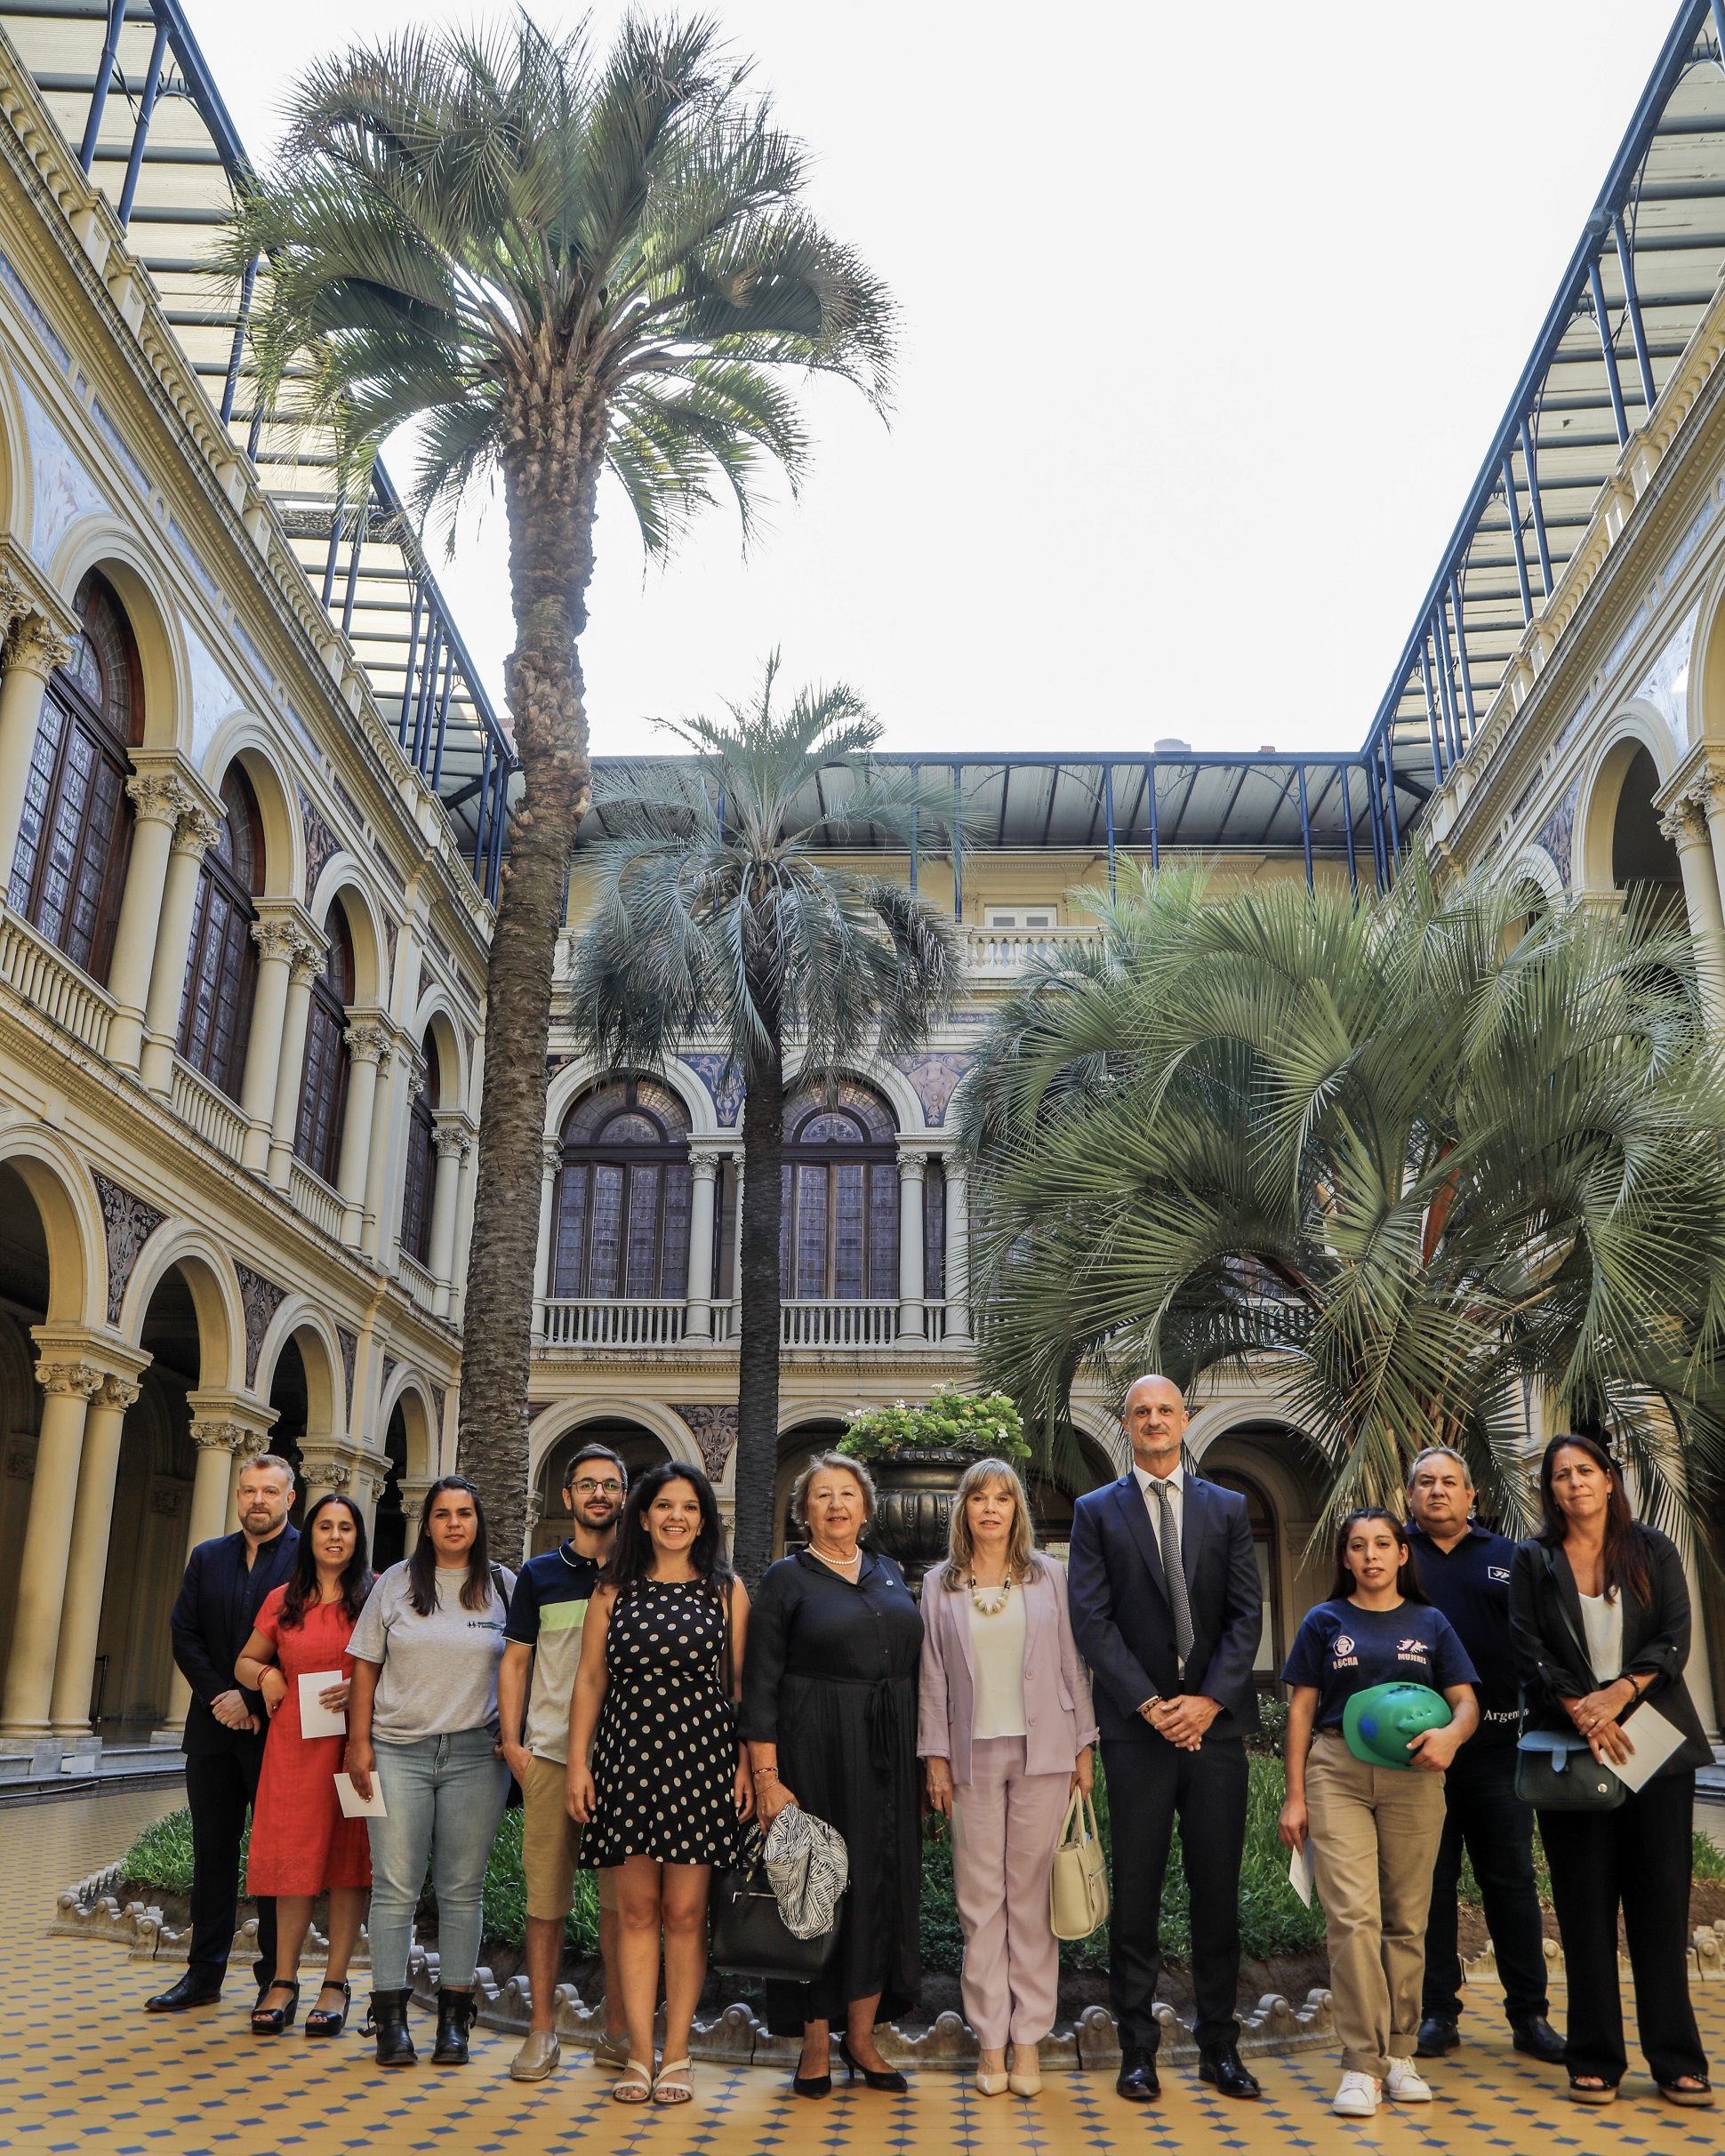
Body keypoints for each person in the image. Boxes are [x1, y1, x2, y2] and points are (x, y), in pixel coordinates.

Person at [1066, 1375, 1265, 2104]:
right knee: (1138, 1893)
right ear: (1127, 1423)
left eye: (1165, 1409)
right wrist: (1152, 1705)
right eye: (1141, 1411)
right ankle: (1137, 2050)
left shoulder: (1228, 1508)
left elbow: (1248, 1614)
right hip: (1137, 1734)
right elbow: (1091, 1620)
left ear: (1186, 1419)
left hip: (1214, 1734)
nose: (1154, 1419)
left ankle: (1220, 2047)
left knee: (1218, 1895)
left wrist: (1208, 1701)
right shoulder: (1096, 1512)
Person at [1508, 1432, 1714, 2109]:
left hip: (1655, 1746)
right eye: (1561, 1475)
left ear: (1609, 1478)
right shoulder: (1534, 1558)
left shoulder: (1652, 1548)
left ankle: (1677, 2058)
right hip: (1575, 1749)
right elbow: (1529, 1648)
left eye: (1585, 1470)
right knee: (1583, 1908)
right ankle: (1594, 2056)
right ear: (1551, 1488)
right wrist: (1582, 1710)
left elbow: (1674, 1637)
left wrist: (1618, 1695)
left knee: (1661, 1904)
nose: (1574, 1484)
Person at [1279, 1508, 1480, 2119]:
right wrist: (1294, 1794)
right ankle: (1359, 2064)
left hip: (1415, 1777)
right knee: (1352, 1916)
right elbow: (1301, 1709)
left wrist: (1451, 1737)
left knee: (1406, 1919)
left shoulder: (1431, 1621)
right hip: (1337, 1771)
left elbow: (1466, 1700)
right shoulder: (1324, 1620)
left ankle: (1400, 2054)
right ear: (1345, 1557)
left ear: (1400, 1555)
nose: (1370, 1555)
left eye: (1382, 1544)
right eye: (1358, 1545)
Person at [567, 1463, 751, 2107]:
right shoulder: (612, 1590)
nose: (677, 1516)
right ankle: (639, 2056)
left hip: (700, 1762)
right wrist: (579, 1762)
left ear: (704, 1519)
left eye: (690, 1507)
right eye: (664, 1505)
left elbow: (738, 1690)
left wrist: (744, 1767)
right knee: (637, 1912)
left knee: (684, 1913)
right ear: (641, 1516)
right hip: (628, 1762)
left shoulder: (726, 1591)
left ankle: (679, 2051)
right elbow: (590, 1680)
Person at [742, 1453, 923, 2100]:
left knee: (880, 1888)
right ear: (805, 1510)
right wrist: (766, 1777)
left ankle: (864, 2036)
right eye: (822, 1495)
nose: (837, 1505)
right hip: (813, 1752)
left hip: (889, 1756)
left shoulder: (891, 1572)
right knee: (815, 1890)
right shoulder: (785, 1578)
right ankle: (815, 2044)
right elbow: (758, 1683)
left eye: (848, 1494)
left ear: (867, 1508)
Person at [919, 1457, 1097, 2098]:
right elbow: (932, 1674)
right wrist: (934, 1756)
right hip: (969, 1758)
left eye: (1003, 1497)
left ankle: (1029, 2044)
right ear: (963, 1510)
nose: (991, 1508)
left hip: (1044, 1752)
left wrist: (1084, 1745)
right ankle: (989, 2043)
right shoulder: (939, 1583)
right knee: (979, 1903)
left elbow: (1073, 1664)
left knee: (1028, 1904)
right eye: (978, 1498)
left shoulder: (1050, 1575)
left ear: (1018, 1509)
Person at [346, 1477, 514, 2071]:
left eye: (464, 1512)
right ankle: (390, 2019)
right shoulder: (394, 1583)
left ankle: (454, 2020)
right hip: (397, 1750)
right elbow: (364, 1665)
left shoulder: (501, 1586)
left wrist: (511, 1731)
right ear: (428, 1522)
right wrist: (357, 1744)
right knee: (395, 1887)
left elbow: (523, 1666)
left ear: (478, 1521)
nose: (453, 1523)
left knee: (461, 1891)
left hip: (476, 1756)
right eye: (442, 1513)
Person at [1404, 1446, 1564, 2065]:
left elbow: (1541, 1643)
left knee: (1513, 1885)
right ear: (1410, 1496)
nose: (1437, 1491)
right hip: (1419, 1757)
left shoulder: (1510, 1558)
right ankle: (1438, 2012)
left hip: (1499, 1749)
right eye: (1425, 1482)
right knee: (1431, 1888)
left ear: (1473, 1496)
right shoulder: (1396, 1556)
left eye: (1450, 1481)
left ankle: (1531, 2015)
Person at [148, 1452, 300, 2014]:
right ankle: (203, 1975)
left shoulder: (309, 1558)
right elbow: (184, 1633)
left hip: (278, 1732)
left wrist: (254, 1696)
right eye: (248, 1491)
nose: (257, 1500)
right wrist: (223, 1699)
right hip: (214, 1730)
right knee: (211, 1853)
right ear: (238, 1496)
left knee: (273, 1855)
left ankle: (273, 1979)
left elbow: (309, 1641)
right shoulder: (207, 1557)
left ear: (290, 1498)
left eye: (269, 1491)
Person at [498, 1443, 629, 2081]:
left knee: (620, 1906)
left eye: (609, 1483)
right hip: (549, 1753)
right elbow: (515, 1661)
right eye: (587, 1483)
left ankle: (618, 2030)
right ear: (568, 1497)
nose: (598, 1493)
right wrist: (514, 1743)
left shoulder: (640, 1573)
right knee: (546, 1900)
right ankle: (541, 2030)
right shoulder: (539, 1575)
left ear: (623, 1496)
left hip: (625, 1761)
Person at [236, 1492, 373, 2037]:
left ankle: (336, 1983)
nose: (335, 1536)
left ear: (358, 1538)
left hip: (356, 1745)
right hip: (294, 1747)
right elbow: (246, 1660)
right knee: (292, 1861)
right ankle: (283, 1980)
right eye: (324, 1527)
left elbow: (400, 1665)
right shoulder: (281, 1599)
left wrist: (362, 1684)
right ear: (309, 1536)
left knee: (348, 1859)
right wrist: (266, 1675)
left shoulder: (375, 1595)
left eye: (345, 1527)